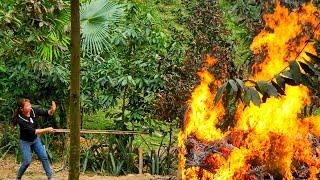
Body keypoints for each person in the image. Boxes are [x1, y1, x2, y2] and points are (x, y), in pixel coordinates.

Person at [12, 98, 56, 180]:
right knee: (27, 161)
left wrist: (52, 110)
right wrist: (47, 129)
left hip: (35, 140)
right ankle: (18, 177)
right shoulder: (20, 119)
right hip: (25, 142)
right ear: (22, 109)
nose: (30, 107)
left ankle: (50, 177)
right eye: (27, 106)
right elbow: (34, 131)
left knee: (44, 157)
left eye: (30, 105)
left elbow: (46, 113)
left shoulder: (33, 110)